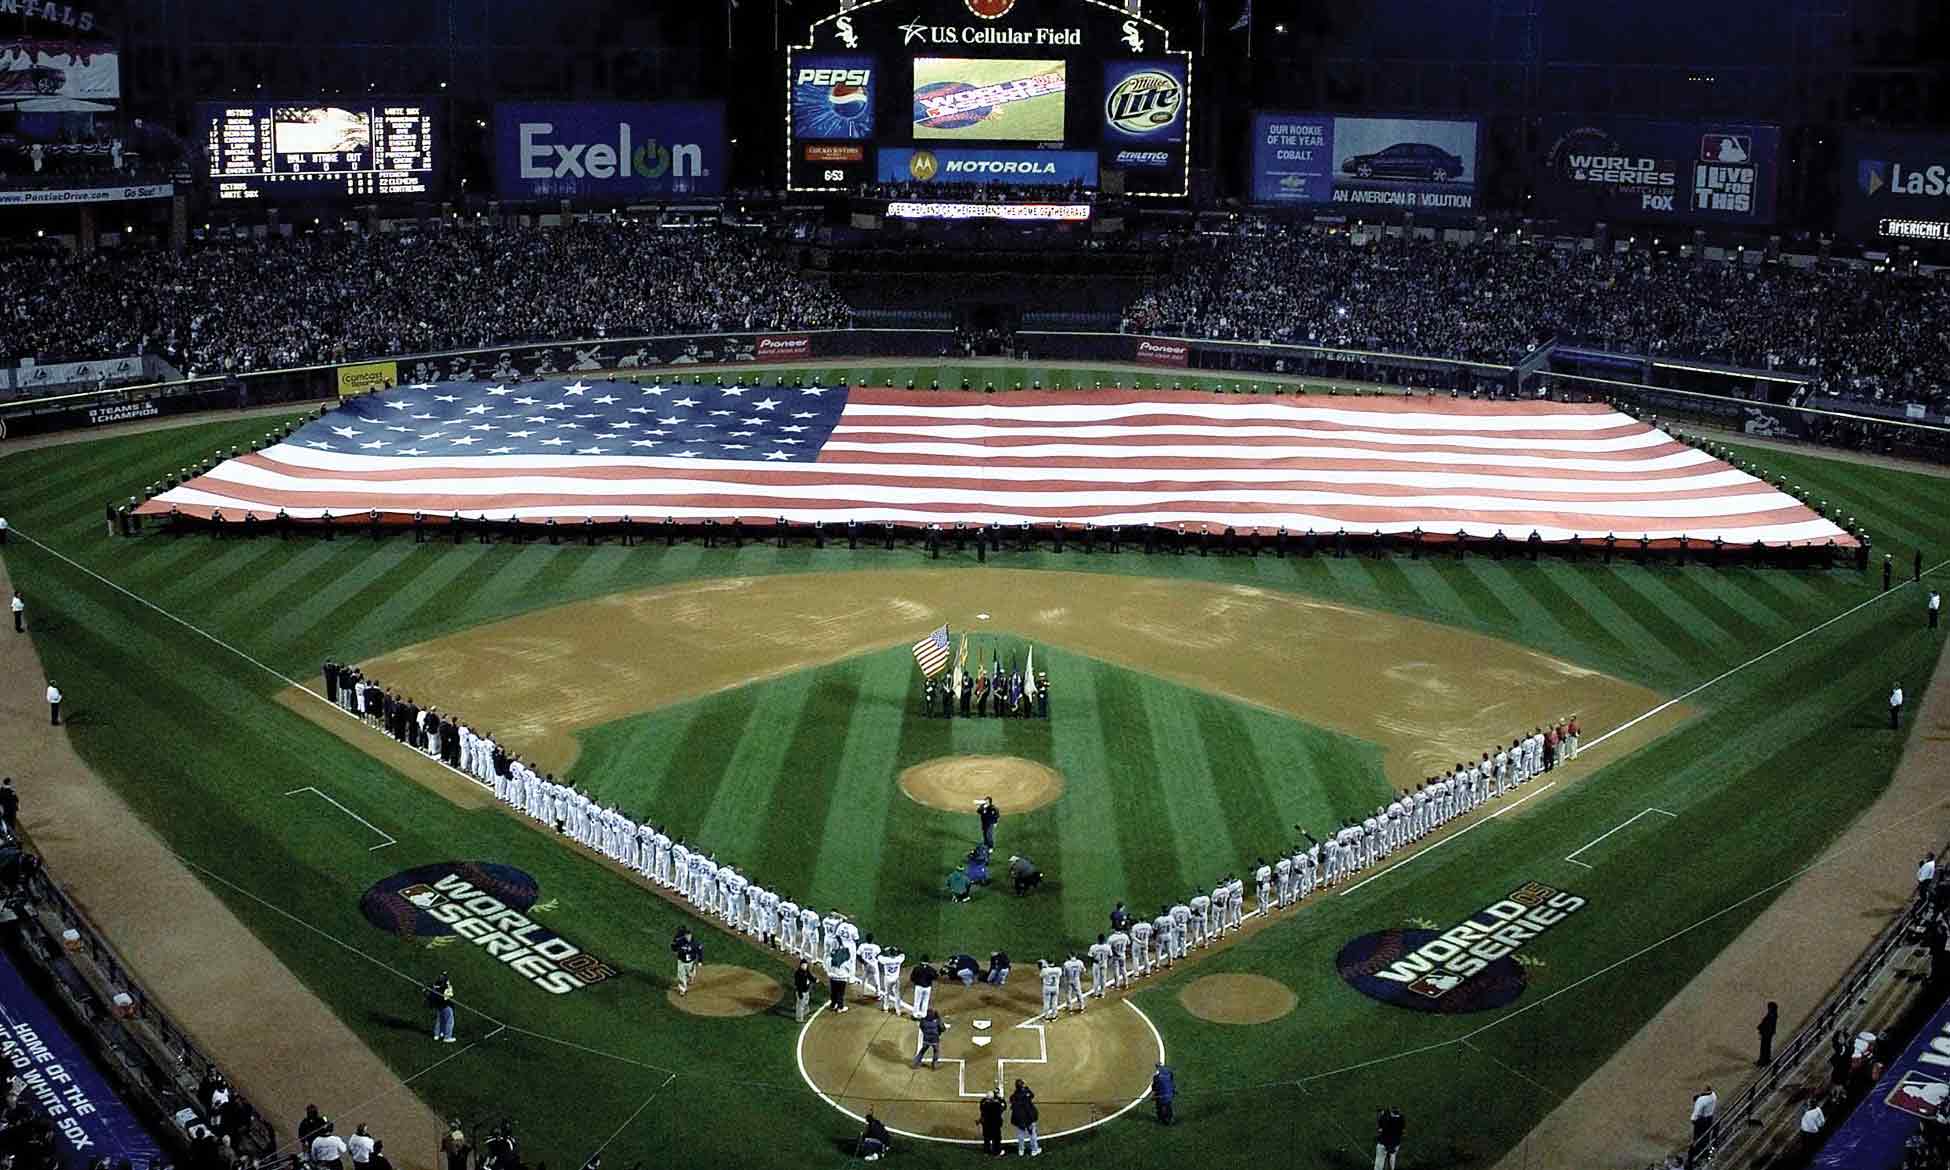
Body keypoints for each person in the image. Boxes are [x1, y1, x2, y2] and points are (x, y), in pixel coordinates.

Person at [1687, 1085, 1717, 1168]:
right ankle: (1705, 1152)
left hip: (1701, 1120)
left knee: (1697, 1138)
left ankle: (1694, 1157)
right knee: (1706, 1136)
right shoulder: (1714, 1095)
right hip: (1709, 1118)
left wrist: (1693, 1120)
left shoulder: (1701, 1100)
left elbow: (1696, 1114)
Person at [1009, 1080, 1040, 1157]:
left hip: (1019, 1120)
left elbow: (1012, 1099)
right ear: (1022, 1086)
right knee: (1032, 1134)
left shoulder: (1014, 1096)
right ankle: (1034, 1150)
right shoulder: (1026, 1094)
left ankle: (1021, 1150)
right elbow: (1032, 1095)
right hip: (1029, 1119)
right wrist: (1026, 1089)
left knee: (1021, 1135)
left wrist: (1022, 1089)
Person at [426, 973, 455, 1042]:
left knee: (440, 1020)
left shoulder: (436, 985)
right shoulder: (446, 986)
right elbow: (450, 994)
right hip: (446, 1005)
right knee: (449, 1020)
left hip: (439, 1005)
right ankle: (447, 1037)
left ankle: (437, 1034)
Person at [672, 928, 701, 996]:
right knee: (681, 975)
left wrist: (700, 960)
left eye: (689, 935)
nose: (688, 937)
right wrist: (675, 948)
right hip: (681, 961)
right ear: (684, 935)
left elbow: (699, 951)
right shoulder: (679, 941)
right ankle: (683, 989)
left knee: (690, 973)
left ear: (691, 935)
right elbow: (673, 947)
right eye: (686, 935)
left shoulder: (695, 942)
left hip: (691, 962)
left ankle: (691, 978)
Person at [1374, 1106, 1404, 1170]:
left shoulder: (1387, 1120)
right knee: (1392, 1160)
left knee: (1379, 1162)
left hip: (1384, 1144)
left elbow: (1381, 1129)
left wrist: (1380, 1129)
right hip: (1395, 1144)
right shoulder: (1401, 1119)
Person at [978, 1089, 1006, 1157]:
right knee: (996, 1138)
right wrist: (1000, 1098)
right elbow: (1003, 1107)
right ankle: (996, 1152)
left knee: (986, 1138)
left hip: (986, 1124)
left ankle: (986, 1152)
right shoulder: (996, 1105)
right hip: (995, 1124)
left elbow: (983, 1103)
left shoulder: (983, 1103)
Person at [1758, 1001, 1779, 1066]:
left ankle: (1762, 1061)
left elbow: (1767, 1025)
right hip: (1768, 1034)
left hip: (1766, 1034)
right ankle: (1765, 1060)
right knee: (1767, 1047)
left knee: (1764, 1048)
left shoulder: (1771, 1016)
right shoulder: (1773, 1015)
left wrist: (1761, 1029)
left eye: (1769, 1007)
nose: (1768, 1008)